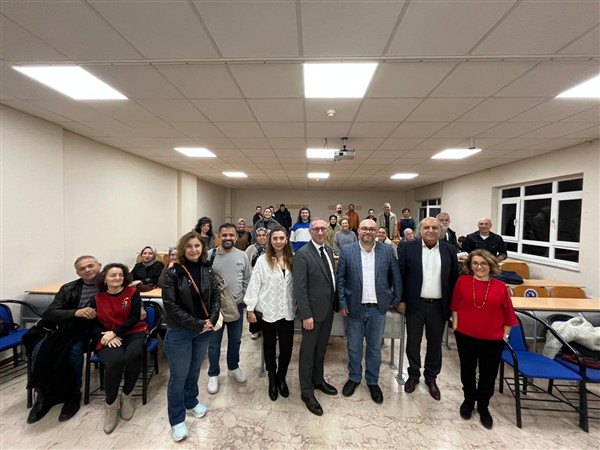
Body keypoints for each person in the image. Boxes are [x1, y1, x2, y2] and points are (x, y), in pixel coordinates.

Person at [24, 256, 102, 424]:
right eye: (82, 268)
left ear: (99, 266)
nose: (87, 270)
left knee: (73, 352)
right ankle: (44, 396)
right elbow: (50, 313)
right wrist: (76, 312)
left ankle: (72, 396)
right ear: (77, 273)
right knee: (40, 349)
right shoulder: (69, 288)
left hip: (89, 331)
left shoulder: (108, 285)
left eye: (91, 266)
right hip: (64, 328)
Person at [162, 230, 221, 442]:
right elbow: (171, 306)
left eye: (197, 246)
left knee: (194, 370)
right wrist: (197, 324)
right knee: (178, 376)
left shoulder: (207, 268)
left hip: (203, 330)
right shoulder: (172, 273)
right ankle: (177, 418)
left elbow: (216, 296)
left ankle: (191, 401)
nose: (194, 250)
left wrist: (211, 320)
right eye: (189, 246)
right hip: (180, 331)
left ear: (202, 248)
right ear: (182, 249)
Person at [451, 249, 518, 429]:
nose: (479, 267)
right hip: (466, 335)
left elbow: (508, 314)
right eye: (475, 263)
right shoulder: (462, 281)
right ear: (470, 265)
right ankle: (468, 400)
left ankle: (483, 405)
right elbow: (455, 305)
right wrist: (455, 324)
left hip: (493, 338)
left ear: (490, 265)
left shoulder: (500, 286)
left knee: (488, 375)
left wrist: (505, 334)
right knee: (467, 370)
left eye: (483, 263)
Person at [337, 219, 402, 404]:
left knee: (374, 348)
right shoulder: (347, 250)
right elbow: (340, 279)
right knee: (354, 347)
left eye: (371, 229)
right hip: (354, 308)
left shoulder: (387, 251)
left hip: (378, 309)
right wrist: (342, 303)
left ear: (376, 232)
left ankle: (372, 381)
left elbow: (395, 277)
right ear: (358, 231)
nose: (368, 231)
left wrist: (395, 300)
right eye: (364, 228)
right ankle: (354, 377)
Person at [398, 217, 458, 401]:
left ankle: (431, 378)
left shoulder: (449, 250)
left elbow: (453, 280)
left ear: (440, 231)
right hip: (415, 304)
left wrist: (453, 307)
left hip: (439, 306)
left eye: (434, 228)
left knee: (434, 344)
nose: (430, 231)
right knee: (413, 342)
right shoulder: (408, 248)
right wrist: (401, 300)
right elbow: (400, 275)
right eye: (426, 228)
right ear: (420, 230)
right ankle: (413, 375)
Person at [93, 263, 148, 434]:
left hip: (133, 331)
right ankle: (111, 405)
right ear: (105, 279)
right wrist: (106, 335)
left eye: (121, 275)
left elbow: (134, 317)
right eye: (113, 275)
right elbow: (91, 323)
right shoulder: (97, 298)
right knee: (115, 361)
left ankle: (127, 395)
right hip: (107, 335)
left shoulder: (132, 293)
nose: (117, 278)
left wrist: (115, 332)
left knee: (134, 355)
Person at [294, 218, 338, 416]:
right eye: (316, 229)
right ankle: (307, 392)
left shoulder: (328, 250)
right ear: (310, 232)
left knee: (321, 350)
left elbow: (330, 280)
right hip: (311, 314)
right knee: (308, 353)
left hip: (327, 311)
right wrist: (306, 314)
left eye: (323, 229)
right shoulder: (302, 254)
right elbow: (300, 288)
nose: (320, 232)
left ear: (327, 231)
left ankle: (318, 380)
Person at [245, 226, 295, 401]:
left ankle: (282, 377)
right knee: (269, 345)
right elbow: (254, 284)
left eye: (282, 238)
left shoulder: (293, 259)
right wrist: (250, 308)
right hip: (268, 309)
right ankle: (272, 377)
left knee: (287, 348)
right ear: (270, 240)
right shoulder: (262, 260)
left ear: (287, 239)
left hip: (287, 310)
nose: (278, 241)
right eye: (275, 238)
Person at [207, 223, 251, 394]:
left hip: (236, 306)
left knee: (235, 340)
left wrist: (244, 300)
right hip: (215, 309)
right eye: (224, 235)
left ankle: (233, 367)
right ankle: (213, 374)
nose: (227, 238)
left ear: (236, 237)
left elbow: (247, 279)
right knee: (214, 343)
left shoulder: (242, 255)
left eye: (231, 235)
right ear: (219, 236)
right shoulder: (210, 255)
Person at [245, 227, 268, 340]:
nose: (261, 237)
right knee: (253, 306)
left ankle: (267, 329)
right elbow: (246, 264)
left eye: (264, 235)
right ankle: (254, 330)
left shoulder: (271, 248)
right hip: (253, 281)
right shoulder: (250, 249)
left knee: (266, 306)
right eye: (259, 235)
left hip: (267, 281)